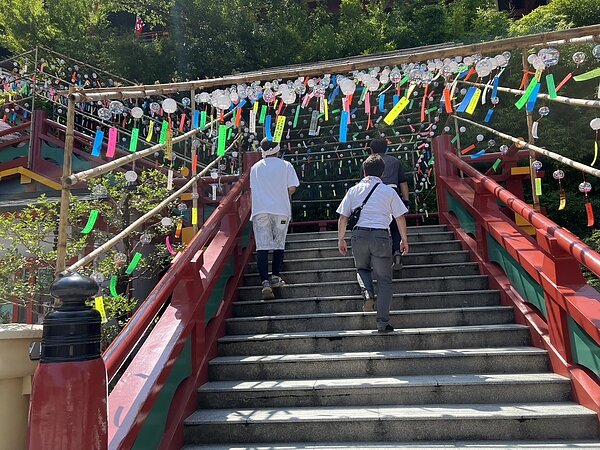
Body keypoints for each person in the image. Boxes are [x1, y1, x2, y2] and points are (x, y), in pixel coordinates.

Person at [337, 154, 409, 333]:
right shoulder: (389, 191)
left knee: (362, 269)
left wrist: (341, 238)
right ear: (382, 172)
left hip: (359, 235)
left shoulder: (353, 190)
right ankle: (382, 323)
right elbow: (400, 217)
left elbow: (343, 217)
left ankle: (367, 293)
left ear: (364, 170)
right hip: (381, 237)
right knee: (384, 281)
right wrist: (403, 240)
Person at [250, 138, 300, 300]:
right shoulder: (286, 166)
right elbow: (292, 188)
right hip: (280, 210)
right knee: (279, 244)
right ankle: (276, 276)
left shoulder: (255, 168)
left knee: (262, 247)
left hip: (260, 211)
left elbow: (253, 189)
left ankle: (264, 282)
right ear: (277, 150)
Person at [365, 138, 411, 269]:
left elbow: (363, 181)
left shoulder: (367, 162)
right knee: (395, 225)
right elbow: (402, 182)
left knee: (376, 225)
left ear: (371, 149)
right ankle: (396, 251)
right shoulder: (395, 161)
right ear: (386, 148)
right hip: (392, 192)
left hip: (373, 195)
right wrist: (406, 200)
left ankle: (378, 256)